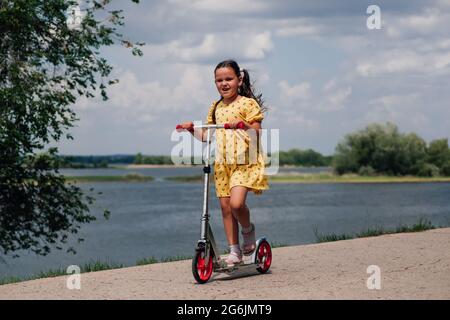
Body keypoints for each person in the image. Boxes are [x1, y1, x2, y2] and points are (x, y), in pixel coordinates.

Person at [179, 59, 269, 267]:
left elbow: (257, 132)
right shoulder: (216, 107)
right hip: (223, 164)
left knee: (237, 204)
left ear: (239, 79)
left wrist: (242, 124)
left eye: (229, 79)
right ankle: (234, 251)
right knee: (226, 208)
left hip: (244, 162)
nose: (224, 83)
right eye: (219, 80)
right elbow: (207, 137)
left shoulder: (247, 104)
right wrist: (192, 128)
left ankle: (248, 230)